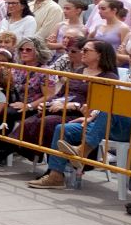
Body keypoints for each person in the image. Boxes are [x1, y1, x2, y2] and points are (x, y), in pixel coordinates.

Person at [33, 40, 125, 189]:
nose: (82, 52)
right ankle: (56, 176)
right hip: (91, 119)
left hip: (111, 124)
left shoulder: (109, 77)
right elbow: (63, 93)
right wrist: (49, 103)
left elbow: (110, 106)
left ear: (99, 55)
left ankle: (83, 150)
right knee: (60, 128)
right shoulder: (79, 71)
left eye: (86, 50)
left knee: (49, 122)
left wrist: (80, 109)